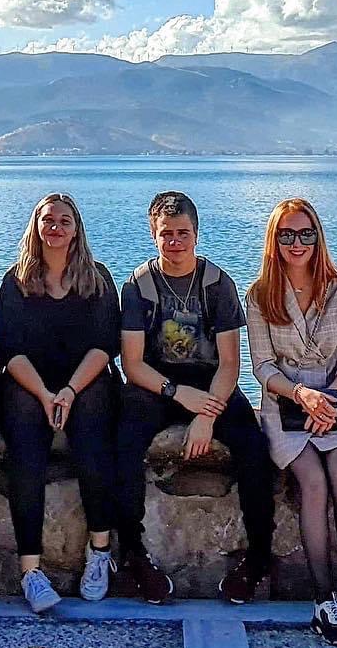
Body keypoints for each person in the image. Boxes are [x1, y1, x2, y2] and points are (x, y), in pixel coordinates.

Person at [113, 190, 275, 605]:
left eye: (182, 233)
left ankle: (258, 557)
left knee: (254, 449)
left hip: (210, 383)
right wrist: (175, 393)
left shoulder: (217, 284)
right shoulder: (138, 286)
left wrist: (206, 416)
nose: (175, 242)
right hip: (156, 383)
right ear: (153, 235)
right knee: (124, 445)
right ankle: (133, 553)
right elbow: (132, 364)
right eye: (166, 234)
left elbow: (229, 364)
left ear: (196, 234)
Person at [248, 197, 337, 644]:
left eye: (306, 233)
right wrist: (302, 394)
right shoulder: (260, 294)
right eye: (287, 234)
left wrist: (336, 394)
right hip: (287, 406)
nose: (297, 242)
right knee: (314, 481)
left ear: (318, 237)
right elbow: (263, 367)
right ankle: (325, 598)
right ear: (275, 240)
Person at [0, 193, 120, 613]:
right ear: (36, 227)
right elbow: (9, 349)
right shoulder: (15, 281)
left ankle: (100, 551)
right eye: (49, 220)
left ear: (76, 229)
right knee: (26, 449)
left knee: (93, 437)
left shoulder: (97, 279)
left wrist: (68, 391)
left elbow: (105, 346)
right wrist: (46, 394)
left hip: (84, 379)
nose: (56, 228)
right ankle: (31, 569)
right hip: (30, 382)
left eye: (65, 221)